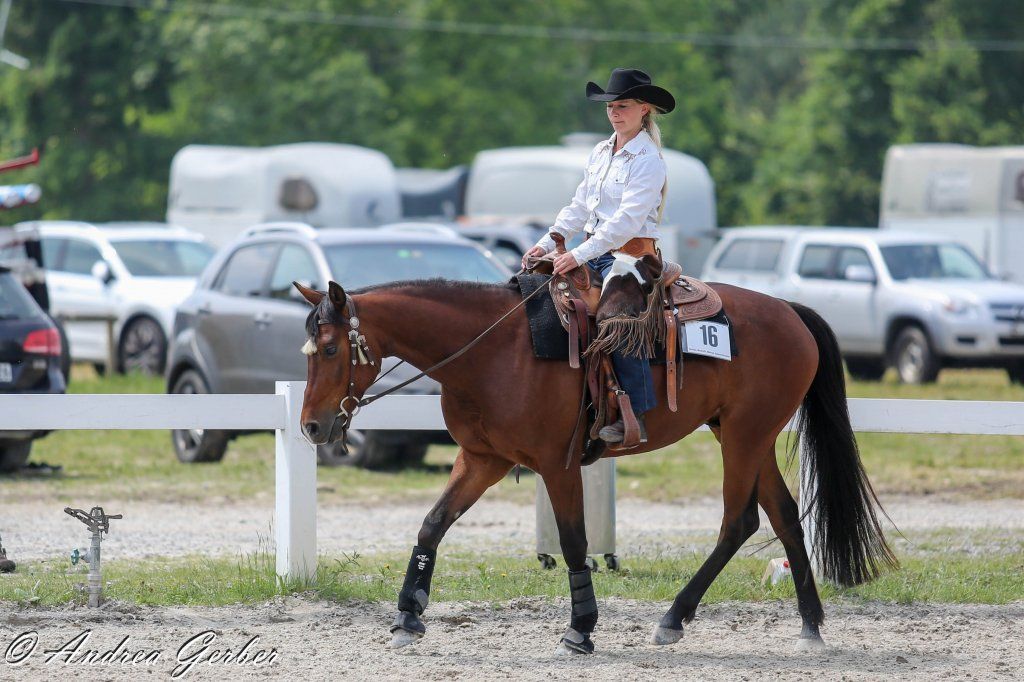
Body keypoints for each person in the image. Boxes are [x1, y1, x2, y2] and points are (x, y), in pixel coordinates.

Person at [522, 67, 675, 444]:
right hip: (597, 251)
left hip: (633, 257)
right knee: (536, 293)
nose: (614, 112)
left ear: (644, 109)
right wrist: (548, 241)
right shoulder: (601, 151)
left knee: (614, 317)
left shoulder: (648, 159)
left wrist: (577, 254)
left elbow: (626, 222)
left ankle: (634, 414)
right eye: (610, 106)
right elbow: (579, 206)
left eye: (623, 105)